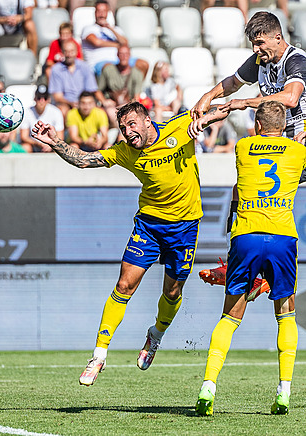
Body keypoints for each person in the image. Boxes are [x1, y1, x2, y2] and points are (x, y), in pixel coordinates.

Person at [31, 101, 219, 387]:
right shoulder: (125, 151)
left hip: (184, 228)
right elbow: (84, 159)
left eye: (132, 124)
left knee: (172, 291)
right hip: (149, 225)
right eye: (122, 127)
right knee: (124, 286)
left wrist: (223, 107)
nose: (128, 132)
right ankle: (98, 355)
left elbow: (218, 109)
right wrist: (55, 141)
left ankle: (155, 335)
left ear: (147, 120)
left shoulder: (179, 128)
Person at [191, 11, 306, 285]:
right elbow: (233, 83)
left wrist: (244, 102)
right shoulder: (261, 60)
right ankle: (239, 262)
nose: (256, 50)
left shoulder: (296, 60)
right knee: (241, 189)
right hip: (280, 137)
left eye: (260, 43)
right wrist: (208, 98)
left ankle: (262, 272)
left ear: (277, 38)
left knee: (263, 196)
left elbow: (291, 98)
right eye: (253, 45)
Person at [190, 100, 306, 417]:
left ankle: (208, 386)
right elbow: (298, 150)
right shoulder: (298, 153)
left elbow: (238, 187)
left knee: (229, 316)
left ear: (257, 126)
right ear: (283, 128)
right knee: (286, 313)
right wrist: (299, 140)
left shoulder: (243, 147)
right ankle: (284, 391)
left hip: (246, 235)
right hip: (283, 237)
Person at [48, 39, 101, 117]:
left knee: (99, 112)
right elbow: (57, 96)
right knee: (62, 111)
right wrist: (71, 103)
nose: (69, 55)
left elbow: (91, 90)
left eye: (72, 51)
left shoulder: (85, 67)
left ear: (76, 52)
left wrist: (83, 103)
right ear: (62, 52)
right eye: (66, 51)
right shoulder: (56, 69)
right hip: (66, 104)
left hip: (84, 102)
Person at [98, 45, 144, 127]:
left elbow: (136, 97)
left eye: (126, 54)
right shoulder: (108, 70)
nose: (124, 57)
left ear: (130, 55)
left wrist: (128, 106)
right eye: (121, 54)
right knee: (111, 112)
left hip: (127, 104)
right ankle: (120, 131)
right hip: (111, 105)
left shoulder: (137, 73)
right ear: (117, 55)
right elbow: (98, 90)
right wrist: (104, 101)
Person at [81, 0, 128, 74]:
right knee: (110, 68)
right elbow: (96, 42)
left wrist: (110, 28)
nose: (101, 14)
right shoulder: (88, 29)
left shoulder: (116, 29)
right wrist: (118, 45)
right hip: (99, 63)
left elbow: (125, 43)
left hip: (119, 61)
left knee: (141, 64)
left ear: (108, 13)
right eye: (99, 11)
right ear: (95, 13)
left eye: (104, 11)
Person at [20, 84, 64, 152]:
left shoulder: (56, 112)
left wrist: (51, 145)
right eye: (39, 98)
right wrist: (38, 143)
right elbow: (24, 137)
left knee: (60, 149)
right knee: (25, 147)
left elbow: (60, 137)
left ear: (48, 100)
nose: (42, 101)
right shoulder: (27, 112)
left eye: (45, 98)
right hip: (34, 145)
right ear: (34, 98)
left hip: (52, 146)